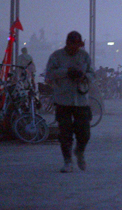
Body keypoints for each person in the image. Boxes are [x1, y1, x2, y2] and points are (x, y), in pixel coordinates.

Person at [45, 31, 94, 173]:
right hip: (63, 100)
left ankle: (79, 151)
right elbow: (49, 74)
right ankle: (67, 161)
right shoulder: (56, 56)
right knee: (65, 133)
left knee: (84, 132)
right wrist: (66, 72)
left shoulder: (84, 56)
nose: (75, 48)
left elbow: (93, 74)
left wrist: (84, 76)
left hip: (81, 100)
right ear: (67, 43)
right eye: (73, 45)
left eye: (78, 45)